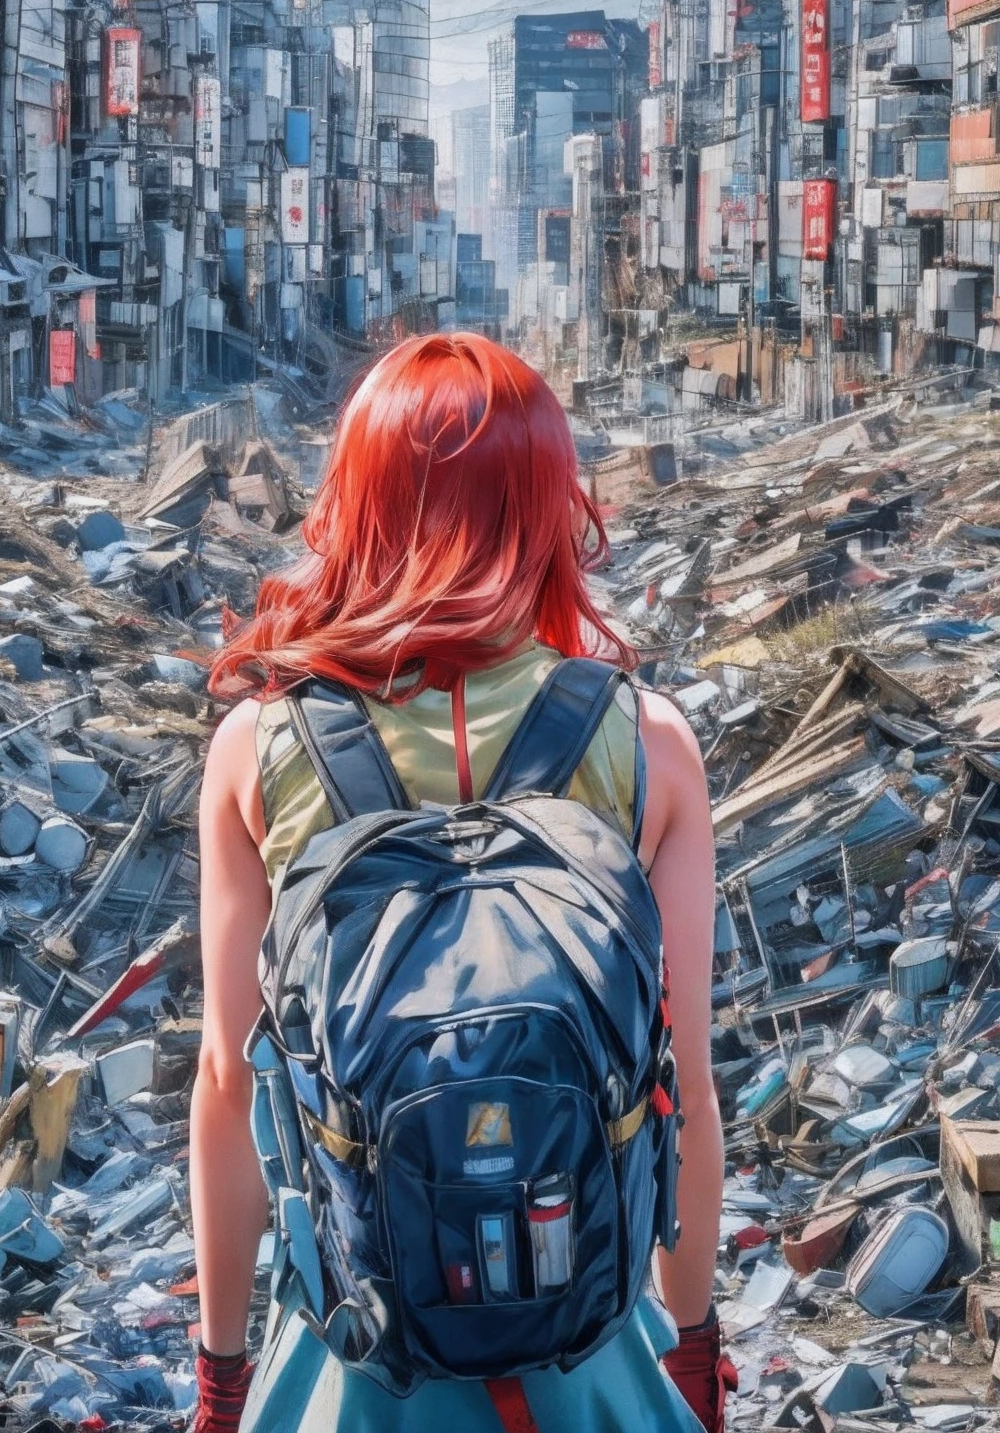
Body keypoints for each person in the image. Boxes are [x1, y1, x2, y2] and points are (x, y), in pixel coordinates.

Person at [189, 333, 732, 1433]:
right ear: (543, 505)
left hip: (353, 1362)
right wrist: (692, 1352)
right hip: (589, 1353)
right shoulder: (647, 742)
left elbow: (228, 1085)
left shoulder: (260, 744)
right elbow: (683, 1087)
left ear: (357, 501)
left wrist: (222, 1371)